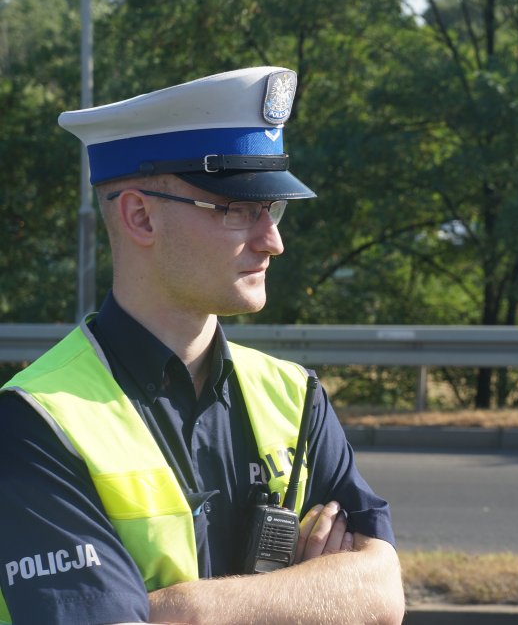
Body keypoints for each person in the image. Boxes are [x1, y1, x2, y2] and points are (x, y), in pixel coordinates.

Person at [0, 67, 406, 624]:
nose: (273, 240)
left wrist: (187, 610)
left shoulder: (294, 395)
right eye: (238, 209)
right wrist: (305, 597)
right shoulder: (34, 421)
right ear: (140, 215)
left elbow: (382, 594)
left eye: (273, 209)